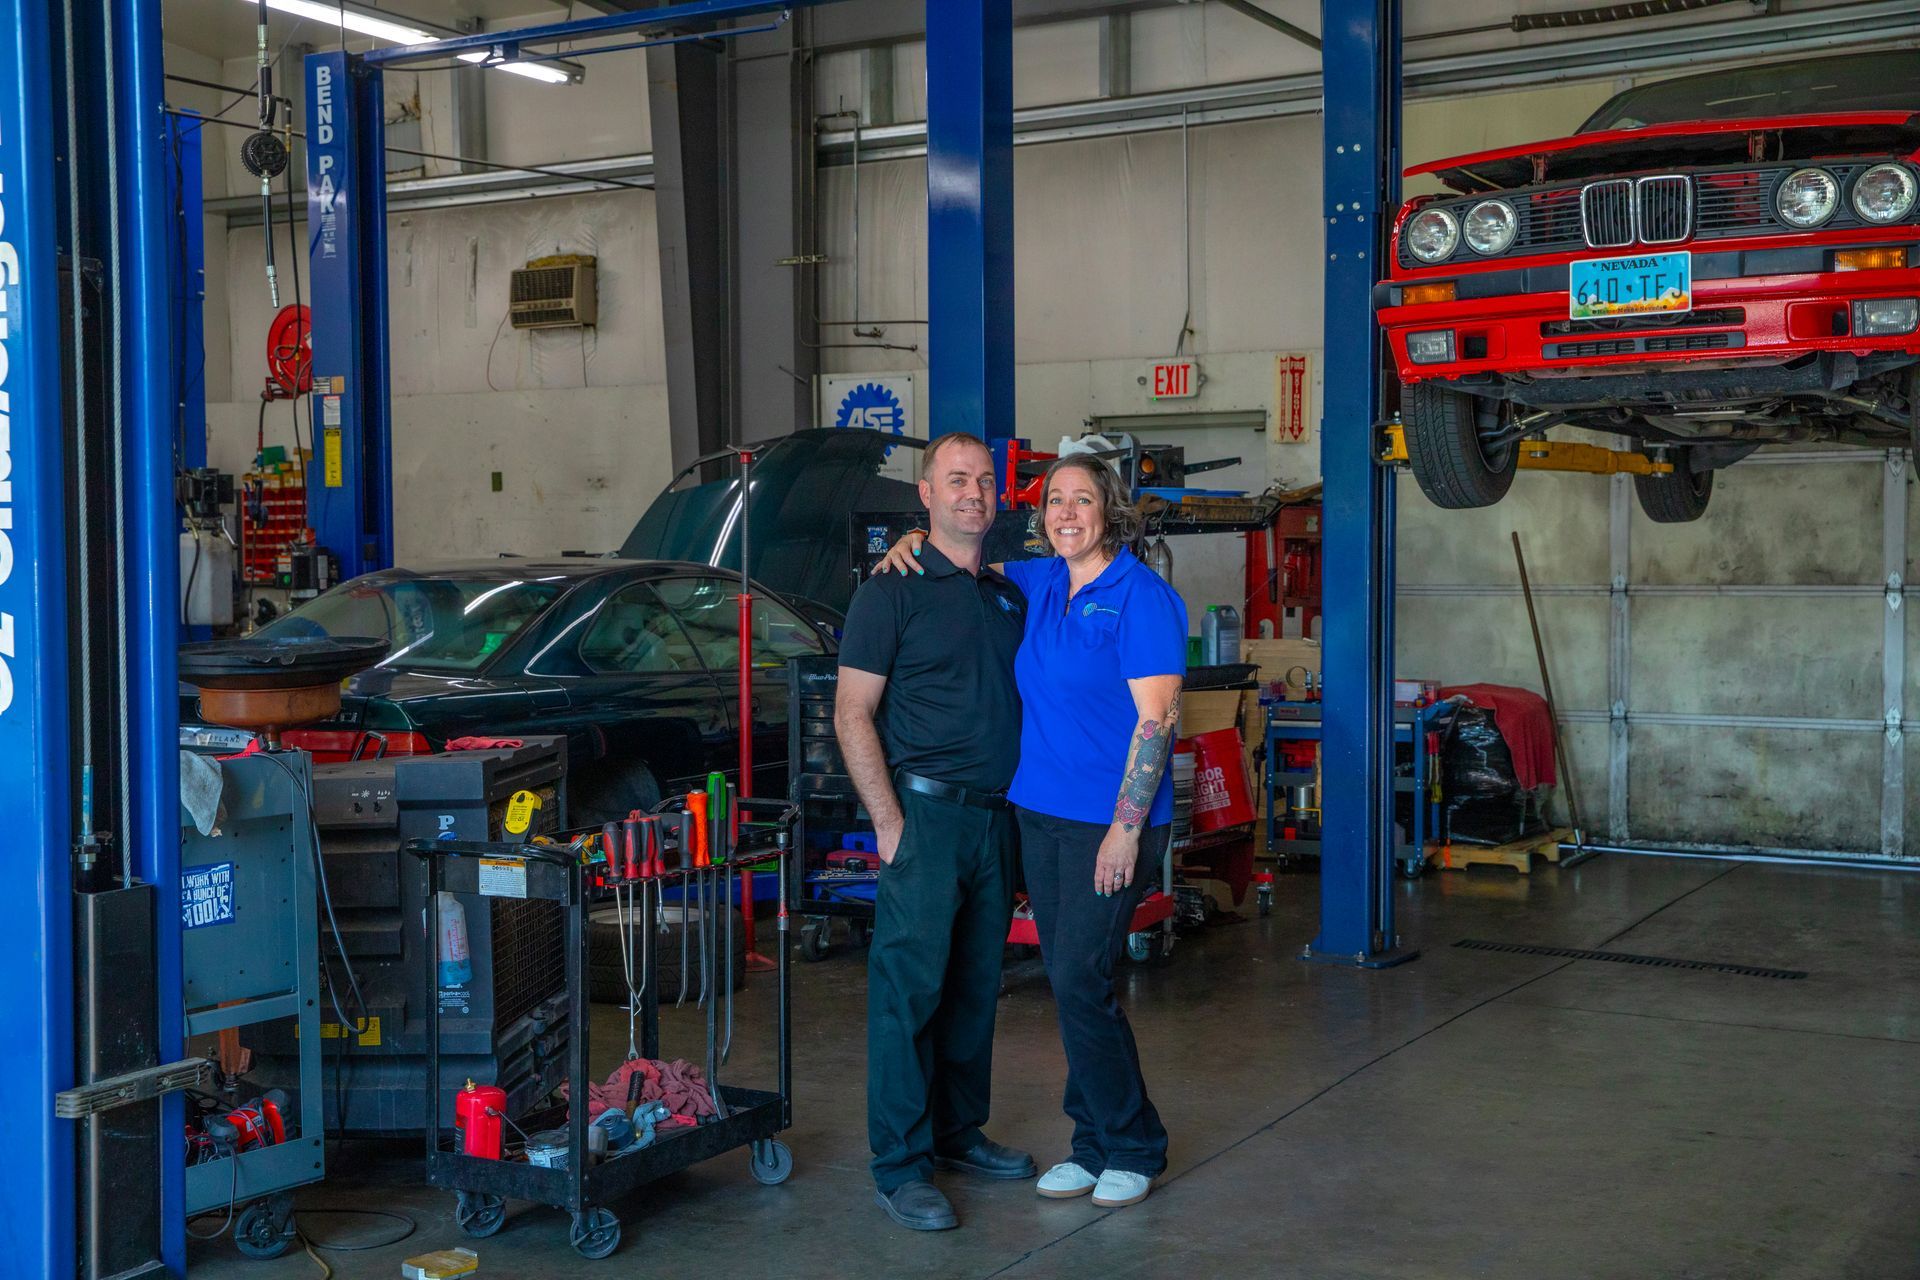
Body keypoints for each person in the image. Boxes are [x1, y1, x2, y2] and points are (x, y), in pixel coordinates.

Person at [874, 452, 1186, 1210]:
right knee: (1075, 980)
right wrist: (909, 541)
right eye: (1054, 501)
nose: (1066, 514)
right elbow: (961, 557)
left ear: (1109, 510)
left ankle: (1135, 1142)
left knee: (1081, 978)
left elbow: (1157, 721)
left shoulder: (1141, 596)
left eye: (1082, 500)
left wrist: (1124, 828)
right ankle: (1090, 1142)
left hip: (1108, 823)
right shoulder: (1041, 583)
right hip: (1036, 814)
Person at [834, 432, 1038, 1233]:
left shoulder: (1007, 593)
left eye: (984, 481)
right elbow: (854, 713)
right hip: (923, 816)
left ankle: (958, 1133)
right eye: (956, 481)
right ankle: (901, 1165)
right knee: (907, 995)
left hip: (994, 819)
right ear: (925, 493)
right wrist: (889, 822)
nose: (973, 494)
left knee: (972, 990)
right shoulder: (889, 592)